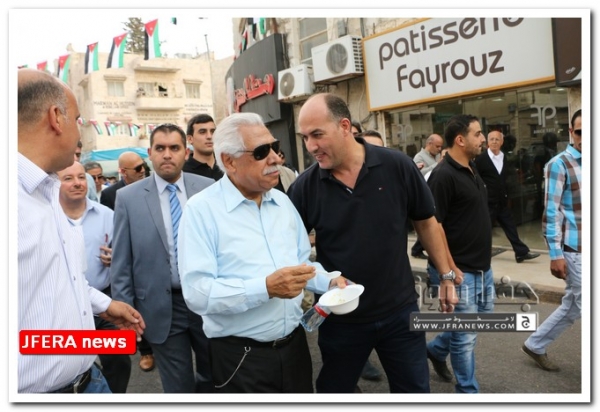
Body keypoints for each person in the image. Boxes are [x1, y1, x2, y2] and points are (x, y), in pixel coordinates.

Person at [287, 93, 458, 393]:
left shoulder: (397, 166)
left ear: (344, 126)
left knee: (415, 394)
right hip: (341, 319)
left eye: (317, 134)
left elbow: (426, 222)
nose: (310, 146)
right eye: (305, 137)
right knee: (336, 394)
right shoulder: (304, 187)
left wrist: (445, 276)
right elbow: (290, 250)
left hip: (400, 312)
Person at [178, 112, 343, 393]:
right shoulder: (201, 210)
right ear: (229, 161)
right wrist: (265, 288)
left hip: (295, 348)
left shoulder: (282, 202)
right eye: (261, 152)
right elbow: (198, 294)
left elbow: (301, 264)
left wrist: (330, 282)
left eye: (274, 147)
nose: (275, 158)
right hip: (241, 358)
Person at [17, 68, 144, 393]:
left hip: (89, 381)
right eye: (77, 120)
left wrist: (104, 305)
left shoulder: (46, 193)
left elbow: (60, 278)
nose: (80, 133)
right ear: (56, 118)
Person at [111, 123, 215, 393]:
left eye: (174, 148)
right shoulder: (128, 198)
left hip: (208, 300)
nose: (167, 154)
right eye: (160, 148)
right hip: (159, 306)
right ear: (150, 153)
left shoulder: (208, 188)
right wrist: (126, 311)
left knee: (216, 377)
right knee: (178, 388)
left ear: (186, 152)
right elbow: (121, 262)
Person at [425, 114, 494, 393]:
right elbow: (434, 226)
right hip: (459, 271)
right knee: (466, 336)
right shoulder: (443, 176)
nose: (483, 139)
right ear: (460, 140)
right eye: (478, 134)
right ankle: (467, 392)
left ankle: (436, 349)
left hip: (482, 267)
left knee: (482, 317)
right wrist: (451, 270)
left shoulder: (471, 167)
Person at [57, 161, 132, 393]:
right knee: (71, 365)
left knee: (118, 360)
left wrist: (116, 257)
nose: (77, 183)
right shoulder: (48, 219)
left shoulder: (107, 215)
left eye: (81, 177)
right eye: (68, 178)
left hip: (104, 301)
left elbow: (125, 252)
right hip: (64, 305)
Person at [522, 109, 582, 372]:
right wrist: (555, 254)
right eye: (580, 132)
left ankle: (535, 344)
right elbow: (551, 212)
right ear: (571, 132)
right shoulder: (559, 164)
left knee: (573, 306)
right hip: (574, 250)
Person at [98, 150, 155, 372]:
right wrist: (115, 253)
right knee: (133, 305)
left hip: (150, 255)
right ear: (123, 171)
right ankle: (146, 351)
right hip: (127, 259)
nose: (143, 171)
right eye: (138, 168)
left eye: (144, 166)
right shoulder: (111, 194)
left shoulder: (153, 186)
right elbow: (113, 230)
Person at [475, 131, 540, 263]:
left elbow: (505, 179)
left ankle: (521, 252)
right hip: (488, 202)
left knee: (510, 227)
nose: (494, 142)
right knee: (484, 230)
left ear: (502, 142)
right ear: (487, 142)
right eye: (492, 139)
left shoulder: (504, 157)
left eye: (497, 139)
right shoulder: (481, 159)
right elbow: (476, 179)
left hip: (502, 201)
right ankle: (478, 254)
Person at [411, 134, 444, 260]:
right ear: (429, 144)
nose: (439, 149)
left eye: (441, 147)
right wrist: (438, 164)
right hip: (426, 193)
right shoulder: (419, 157)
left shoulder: (437, 156)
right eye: (437, 146)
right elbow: (418, 174)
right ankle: (417, 248)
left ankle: (419, 248)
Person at [183, 113, 224, 181]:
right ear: (190, 139)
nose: (209, 136)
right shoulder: (183, 172)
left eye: (213, 131)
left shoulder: (227, 165)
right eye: (202, 132)